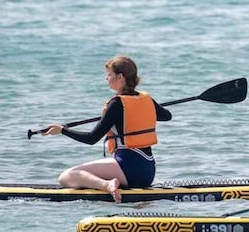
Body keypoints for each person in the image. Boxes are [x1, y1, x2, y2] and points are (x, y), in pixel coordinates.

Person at [40, 56, 172, 202]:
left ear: (120, 77)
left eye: (109, 75)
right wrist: (143, 109)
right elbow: (166, 116)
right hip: (148, 171)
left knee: (67, 176)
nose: (106, 79)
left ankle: (107, 185)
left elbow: (91, 138)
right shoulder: (146, 99)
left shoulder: (116, 104)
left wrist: (62, 130)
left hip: (129, 168)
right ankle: (110, 183)